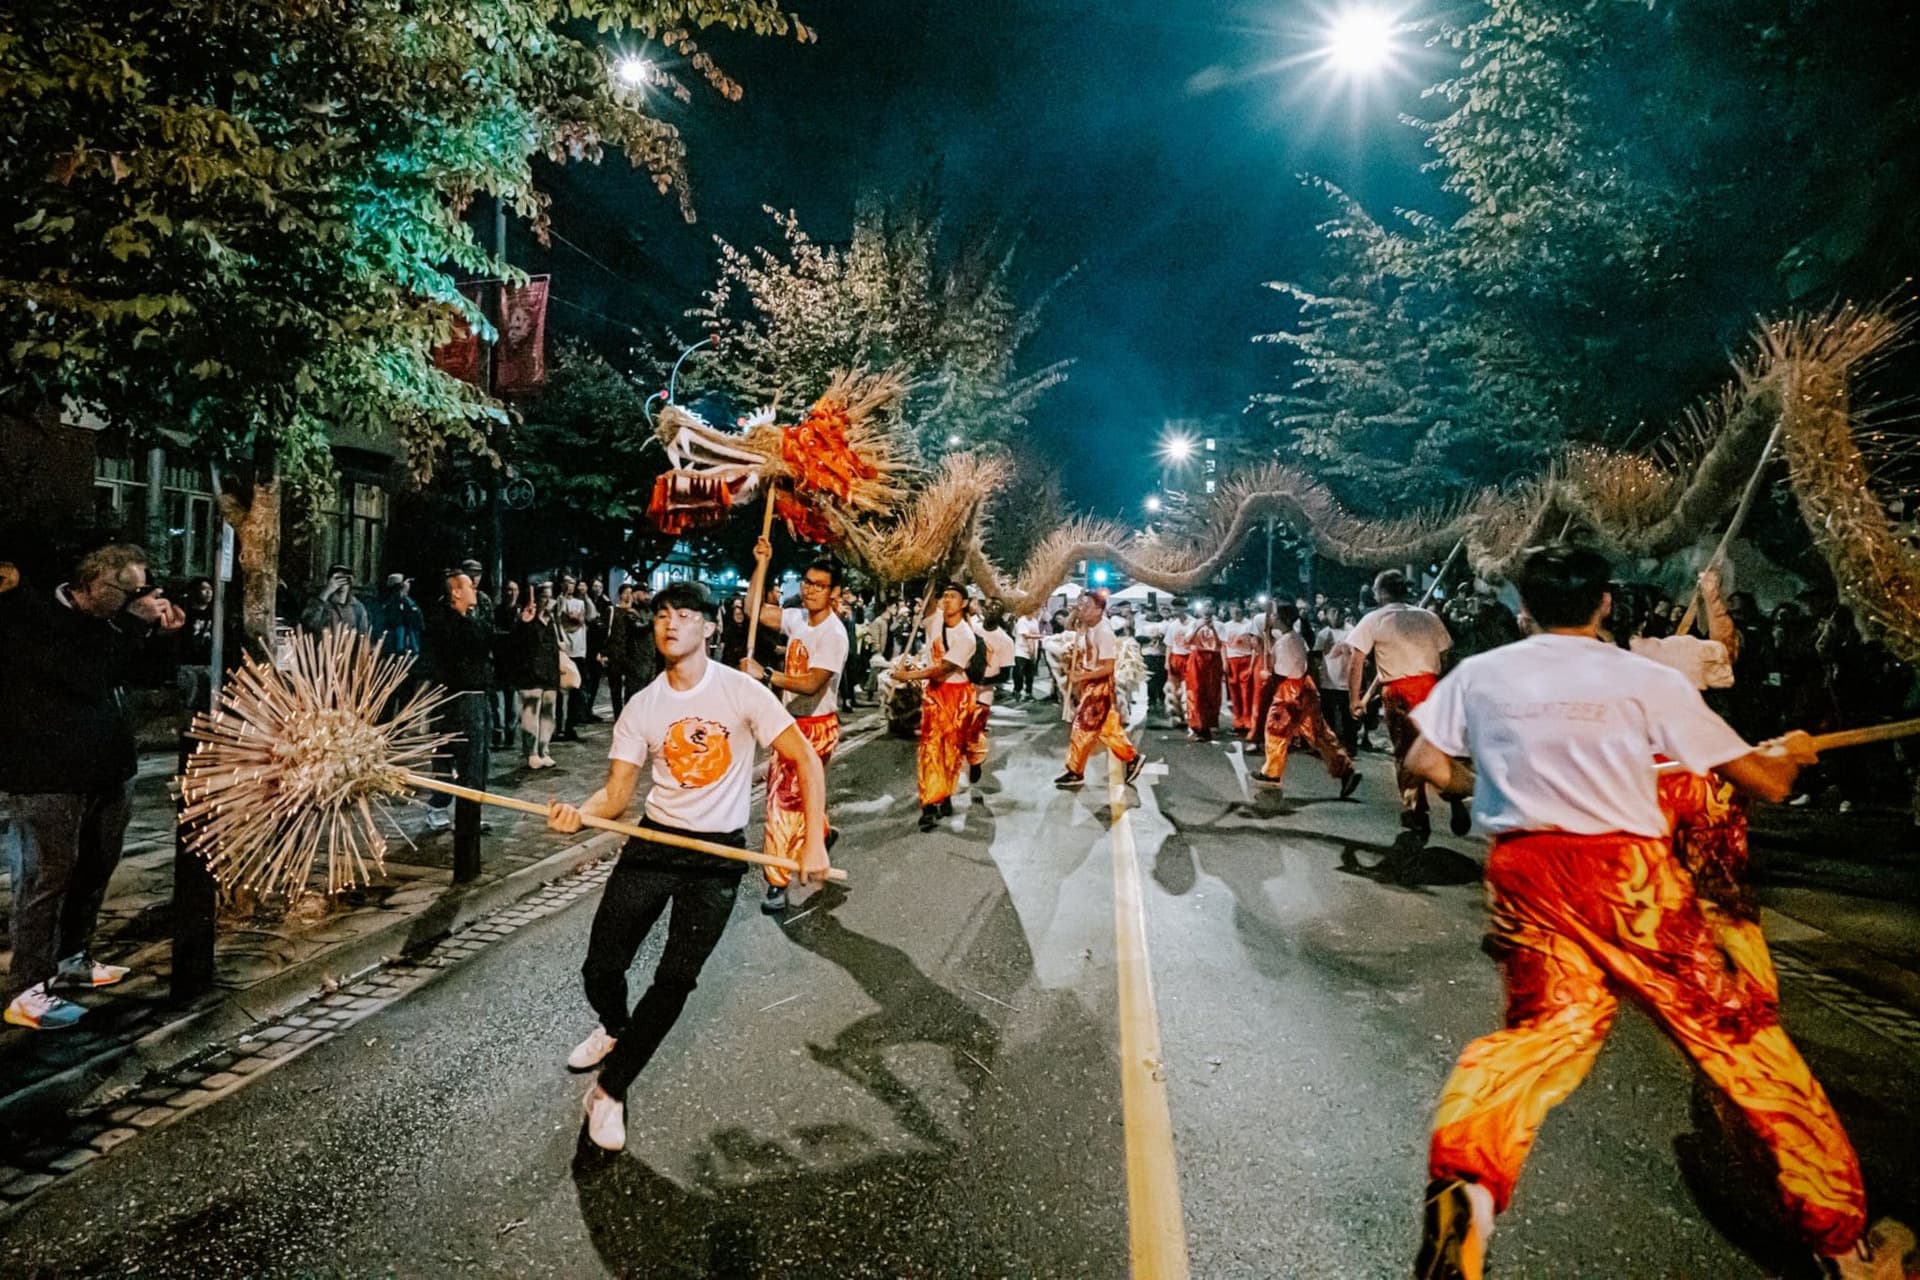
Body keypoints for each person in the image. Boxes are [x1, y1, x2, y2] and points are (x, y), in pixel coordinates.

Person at [1401, 543, 1906, 1280]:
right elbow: (1761, 782)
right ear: (1606, 603)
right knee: (1741, 1042)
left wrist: (1490, 795)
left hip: (1524, 871)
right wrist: (1792, 752)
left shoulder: (1481, 674)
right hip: (1627, 881)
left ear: (1522, 611)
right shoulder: (1640, 678)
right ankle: (1843, 1245)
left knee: (1539, 1040)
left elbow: (1423, 763)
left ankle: (1467, 1188)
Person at [547, 580, 830, 1153]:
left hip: (718, 855)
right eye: (661, 615)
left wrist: (814, 841)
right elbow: (616, 796)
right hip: (654, 844)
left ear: (708, 626)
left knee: (675, 979)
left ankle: (610, 1091)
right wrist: (581, 816)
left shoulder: (741, 691)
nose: (670, 623)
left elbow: (801, 756)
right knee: (601, 966)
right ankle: (615, 1028)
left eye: (684, 614)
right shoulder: (643, 706)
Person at [1, 544, 184, 1030]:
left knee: (94, 869)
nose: (140, 598)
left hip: (105, 772)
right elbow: (85, 675)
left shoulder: (112, 623)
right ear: (99, 585)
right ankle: (26, 988)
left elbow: (138, 676)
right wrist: (135, 624)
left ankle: (72, 959)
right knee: (44, 881)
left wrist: (161, 636)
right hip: (47, 777)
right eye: (133, 590)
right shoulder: (36, 618)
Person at [741, 543, 847, 914]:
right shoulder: (797, 618)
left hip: (817, 728)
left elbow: (811, 684)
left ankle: (776, 880)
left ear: (834, 593)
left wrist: (765, 674)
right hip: (790, 724)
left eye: (819, 585)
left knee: (782, 800)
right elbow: (753, 609)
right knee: (798, 797)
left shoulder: (834, 634)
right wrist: (762, 564)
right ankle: (819, 832)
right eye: (807, 582)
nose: (810, 589)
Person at [1346, 569, 1460, 836]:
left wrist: (1354, 699)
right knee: (1435, 746)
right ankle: (1453, 791)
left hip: (1398, 692)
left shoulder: (1374, 619)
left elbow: (1356, 661)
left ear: (1383, 592)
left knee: (1406, 753)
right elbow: (1445, 656)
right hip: (1431, 686)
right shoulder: (1429, 617)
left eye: (1375, 589)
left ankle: (1416, 810)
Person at [1249, 603, 1359, 799]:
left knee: (1276, 730)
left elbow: (1280, 672)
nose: (1271, 617)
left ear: (1281, 619)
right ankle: (1345, 769)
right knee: (1318, 733)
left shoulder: (1286, 643)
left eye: (1275, 614)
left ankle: (1271, 773)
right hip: (1305, 689)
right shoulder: (1294, 638)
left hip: (1289, 691)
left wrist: (1268, 673)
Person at [893, 583, 978, 832]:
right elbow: (928, 598)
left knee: (950, 752)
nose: (947, 600)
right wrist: (931, 576)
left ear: (963, 603)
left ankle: (945, 792)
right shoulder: (935, 620)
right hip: (934, 695)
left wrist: (906, 676)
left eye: (953, 597)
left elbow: (941, 670)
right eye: (945, 596)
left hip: (957, 697)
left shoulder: (966, 636)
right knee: (930, 748)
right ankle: (929, 804)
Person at [421, 567, 494, 832]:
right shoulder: (445, 622)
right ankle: (439, 806)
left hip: (477, 696)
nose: (475, 589)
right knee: (451, 753)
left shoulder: (472, 619)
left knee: (478, 759)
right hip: (456, 698)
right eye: (469, 587)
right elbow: (458, 652)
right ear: (456, 592)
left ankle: (470, 813)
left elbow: (489, 643)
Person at [1055, 589, 1145, 789]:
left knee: (1082, 727)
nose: (1082, 610)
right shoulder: (1088, 623)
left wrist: (1082, 676)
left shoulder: (1104, 632)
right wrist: (1076, 611)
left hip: (1100, 684)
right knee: (1108, 728)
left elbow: (1107, 667)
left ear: (1099, 610)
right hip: (1090, 680)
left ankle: (1075, 770)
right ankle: (1132, 758)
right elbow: (1070, 625)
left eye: (1087, 607)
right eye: (1081, 605)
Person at [507, 581, 561, 769]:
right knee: (531, 711)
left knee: (549, 711)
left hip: (549, 672)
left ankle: (544, 749)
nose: (548, 600)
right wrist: (525, 621)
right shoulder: (526, 619)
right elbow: (516, 642)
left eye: (550, 596)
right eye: (544, 596)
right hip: (531, 672)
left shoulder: (551, 620)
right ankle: (531, 751)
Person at [967, 602, 1018, 784]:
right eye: (988, 608)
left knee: (975, 730)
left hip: (983, 693)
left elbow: (1005, 673)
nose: (991, 612)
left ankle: (975, 762)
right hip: (964, 687)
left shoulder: (1005, 640)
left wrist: (984, 681)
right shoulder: (972, 629)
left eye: (996, 609)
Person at [1183, 601, 1225, 742]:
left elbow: (1222, 644)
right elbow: (1187, 641)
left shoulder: (1219, 625)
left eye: (1210, 606)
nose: (1207, 609)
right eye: (1205, 606)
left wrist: (1213, 629)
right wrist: (1197, 628)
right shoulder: (1194, 623)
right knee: (1196, 691)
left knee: (1212, 691)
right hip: (1197, 657)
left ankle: (1210, 723)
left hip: (1213, 658)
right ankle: (1197, 725)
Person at [1222, 602, 1260, 741]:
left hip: (1245, 659)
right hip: (1232, 660)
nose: (1236, 613)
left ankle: (1247, 720)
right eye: (1233, 610)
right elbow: (1224, 646)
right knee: (1234, 693)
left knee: (1246, 692)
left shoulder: (1249, 625)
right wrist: (1224, 662)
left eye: (1238, 610)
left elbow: (1254, 647)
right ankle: (1237, 721)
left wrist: (1251, 665)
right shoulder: (1225, 626)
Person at [299, 563, 370, 637]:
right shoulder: (321, 602)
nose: (342, 582)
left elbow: (363, 636)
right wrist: (327, 591)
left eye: (346, 578)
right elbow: (308, 625)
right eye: (338, 578)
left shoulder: (357, 607)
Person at [493, 579, 522, 749]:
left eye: (515, 589)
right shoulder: (497, 611)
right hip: (499, 662)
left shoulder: (520, 612)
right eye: (509, 589)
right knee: (498, 705)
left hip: (514, 664)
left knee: (512, 704)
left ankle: (510, 735)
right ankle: (498, 735)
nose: (511, 593)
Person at [371, 573, 423, 662]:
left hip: (409, 648)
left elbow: (418, 622)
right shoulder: (386, 605)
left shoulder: (410, 603)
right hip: (392, 650)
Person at [1164, 599, 1192, 726]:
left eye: (1177, 608)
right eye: (1173, 609)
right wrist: (1167, 661)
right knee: (1174, 690)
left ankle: (1190, 716)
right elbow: (1169, 645)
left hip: (1190, 658)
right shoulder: (1172, 625)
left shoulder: (1193, 623)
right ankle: (1178, 715)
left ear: (1184, 608)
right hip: (1176, 658)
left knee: (1188, 688)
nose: (1175, 611)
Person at [1012, 609, 1043, 703]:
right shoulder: (1022, 621)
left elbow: (1035, 634)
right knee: (1019, 672)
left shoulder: (1035, 621)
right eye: (1036, 610)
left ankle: (1028, 692)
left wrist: (1034, 650)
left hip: (1032, 651)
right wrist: (1042, 636)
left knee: (1030, 674)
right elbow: (1026, 635)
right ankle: (1017, 690)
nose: (1037, 612)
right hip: (1021, 651)